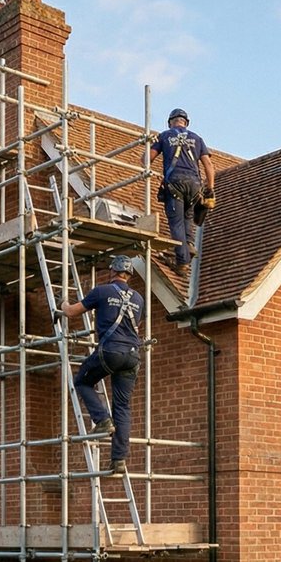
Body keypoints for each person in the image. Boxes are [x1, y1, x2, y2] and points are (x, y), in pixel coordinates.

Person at [60, 255, 144, 476]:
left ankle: (102, 419)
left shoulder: (102, 291)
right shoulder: (138, 298)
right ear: (129, 275)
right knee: (123, 407)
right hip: (133, 356)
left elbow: (71, 312)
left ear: (112, 271)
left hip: (110, 352)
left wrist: (63, 303)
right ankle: (118, 460)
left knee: (82, 380)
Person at [151, 107, 215, 274]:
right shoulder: (197, 138)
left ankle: (182, 261)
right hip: (194, 184)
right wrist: (210, 188)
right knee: (188, 216)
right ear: (185, 123)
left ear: (171, 122)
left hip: (175, 182)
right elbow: (208, 165)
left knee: (176, 222)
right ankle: (189, 244)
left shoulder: (164, 136)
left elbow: (147, 158)